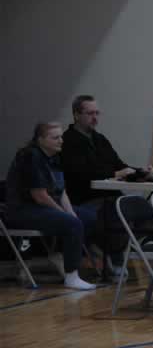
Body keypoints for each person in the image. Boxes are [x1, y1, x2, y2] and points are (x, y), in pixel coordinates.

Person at [5, 122, 97, 290]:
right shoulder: (30, 157)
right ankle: (71, 276)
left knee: (89, 218)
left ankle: (59, 255)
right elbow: (40, 196)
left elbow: (61, 191)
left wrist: (70, 212)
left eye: (61, 136)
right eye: (55, 138)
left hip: (44, 207)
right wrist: (65, 215)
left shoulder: (54, 156)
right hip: (23, 210)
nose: (61, 140)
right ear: (40, 140)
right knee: (72, 224)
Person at [61, 95, 140, 277]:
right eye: (90, 113)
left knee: (133, 207)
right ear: (76, 115)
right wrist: (115, 174)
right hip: (84, 197)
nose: (95, 118)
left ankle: (114, 252)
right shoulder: (68, 141)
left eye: (97, 113)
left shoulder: (100, 139)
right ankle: (112, 255)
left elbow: (119, 165)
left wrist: (141, 172)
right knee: (114, 212)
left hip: (109, 195)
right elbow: (81, 173)